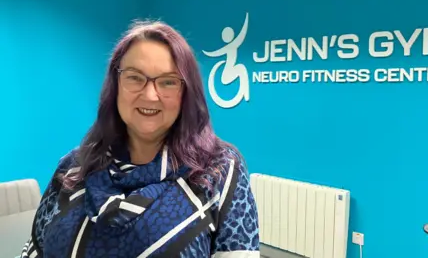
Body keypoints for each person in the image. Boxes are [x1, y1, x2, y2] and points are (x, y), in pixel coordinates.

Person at [20, 20, 260, 258]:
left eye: (168, 82)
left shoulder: (219, 169)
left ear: (186, 93)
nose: (150, 95)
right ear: (115, 85)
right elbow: (34, 248)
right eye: (135, 77)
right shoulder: (75, 165)